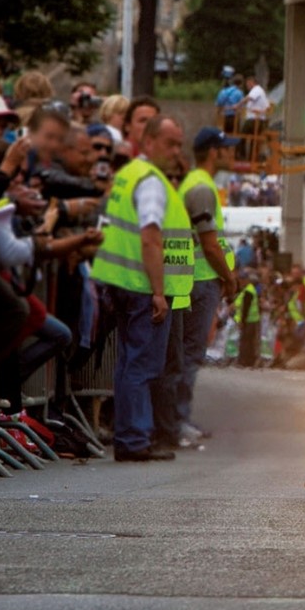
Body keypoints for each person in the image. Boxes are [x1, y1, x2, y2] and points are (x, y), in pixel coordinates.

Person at [91, 115, 194, 462]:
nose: (176, 152)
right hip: (139, 284)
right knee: (142, 365)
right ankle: (134, 439)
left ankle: (129, 435)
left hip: (119, 281)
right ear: (148, 142)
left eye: (180, 144)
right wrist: (159, 291)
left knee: (127, 363)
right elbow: (150, 238)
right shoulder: (151, 182)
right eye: (170, 143)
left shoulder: (129, 174)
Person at [176, 127, 241, 442]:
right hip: (200, 280)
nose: (232, 153)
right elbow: (210, 245)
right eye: (227, 148)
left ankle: (177, 418)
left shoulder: (198, 184)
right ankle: (178, 421)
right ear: (214, 152)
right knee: (190, 354)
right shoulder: (201, 187)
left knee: (186, 353)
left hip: (197, 280)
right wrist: (228, 278)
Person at [237, 76, 270, 160]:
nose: (247, 86)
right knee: (253, 140)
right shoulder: (261, 91)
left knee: (242, 136)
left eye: (248, 84)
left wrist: (237, 105)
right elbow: (267, 107)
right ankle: (251, 158)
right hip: (260, 120)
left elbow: (248, 98)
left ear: (252, 82)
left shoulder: (256, 90)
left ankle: (242, 156)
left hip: (254, 120)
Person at [235, 272, 261, 368]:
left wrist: (242, 321)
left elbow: (246, 307)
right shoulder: (249, 289)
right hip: (252, 319)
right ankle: (249, 361)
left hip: (249, 320)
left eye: (242, 280)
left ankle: (244, 361)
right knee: (249, 341)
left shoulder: (248, 291)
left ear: (246, 280)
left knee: (245, 341)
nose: (240, 282)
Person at [215, 69, 245, 134]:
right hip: (234, 117)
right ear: (241, 83)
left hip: (224, 117)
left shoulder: (223, 91)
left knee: (224, 136)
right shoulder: (239, 93)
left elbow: (218, 103)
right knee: (234, 136)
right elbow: (242, 106)